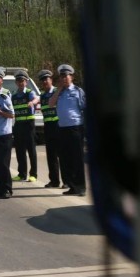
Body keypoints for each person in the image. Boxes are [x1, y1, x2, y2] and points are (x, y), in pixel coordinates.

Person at [55, 64, 87, 196]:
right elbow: (50, 103)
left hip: (75, 128)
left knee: (77, 159)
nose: (63, 78)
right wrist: (59, 89)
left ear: (72, 77)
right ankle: (72, 186)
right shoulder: (59, 92)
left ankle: (81, 187)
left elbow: (85, 108)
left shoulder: (78, 91)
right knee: (66, 158)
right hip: (62, 128)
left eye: (66, 76)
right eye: (61, 76)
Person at [37, 69, 63, 189]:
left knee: (62, 155)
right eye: (42, 80)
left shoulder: (58, 92)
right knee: (51, 156)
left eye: (46, 79)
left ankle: (67, 181)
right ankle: (54, 181)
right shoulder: (42, 96)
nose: (44, 82)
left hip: (59, 126)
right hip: (48, 127)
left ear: (51, 80)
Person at [11, 70, 38, 182]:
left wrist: (32, 102)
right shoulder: (14, 96)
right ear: (16, 82)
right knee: (20, 150)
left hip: (28, 125)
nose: (20, 83)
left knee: (31, 150)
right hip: (18, 125)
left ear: (26, 82)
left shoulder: (29, 93)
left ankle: (33, 174)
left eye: (22, 81)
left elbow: (37, 98)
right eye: (18, 81)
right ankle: (22, 174)